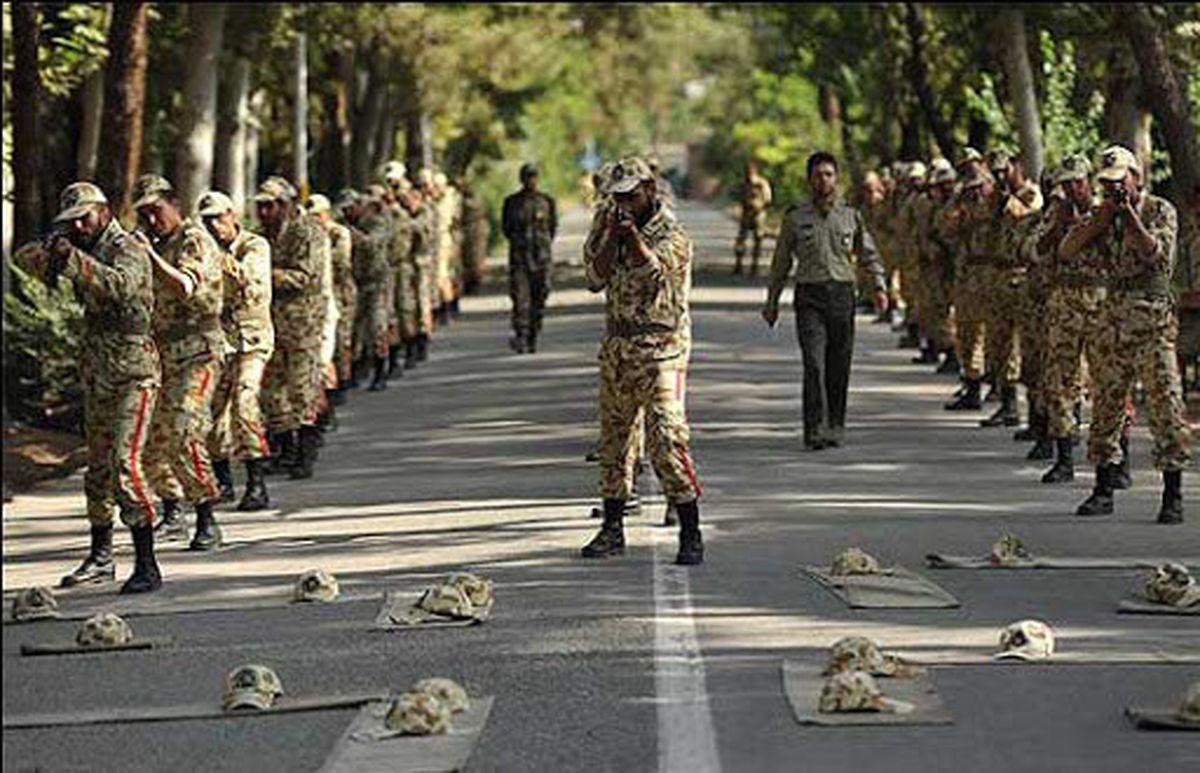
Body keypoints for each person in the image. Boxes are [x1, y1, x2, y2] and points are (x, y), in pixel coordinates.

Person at [36, 183, 163, 593]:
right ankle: (101, 556)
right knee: (99, 469)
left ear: (103, 211)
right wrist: (51, 253)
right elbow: (29, 263)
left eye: (83, 217)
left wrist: (73, 260)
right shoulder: (79, 247)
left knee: (126, 464)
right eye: (71, 222)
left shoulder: (126, 246)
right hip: (98, 371)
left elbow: (121, 286)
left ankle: (147, 562)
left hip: (134, 372)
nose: (79, 226)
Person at [581, 156, 704, 565]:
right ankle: (612, 528)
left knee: (667, 440)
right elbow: (594, 278)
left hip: (662, 350)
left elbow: (653, 273)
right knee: (615, 443)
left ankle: (690, 528)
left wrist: (630, 237)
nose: (624, 204)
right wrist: (612, 237)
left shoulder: (673, 234)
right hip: (619, 347)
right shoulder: (608, 223)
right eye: (618, 198)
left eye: (631, 196)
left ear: (649, 191)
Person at [1063, 145, 1191, 523]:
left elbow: (1155, 254)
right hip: (1111, 323)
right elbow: (1068, 251)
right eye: (1108, 184)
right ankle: (1103, 488)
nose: (1115, 190)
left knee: (1166, 406)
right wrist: (1098, 223)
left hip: (1151, 323)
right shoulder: (1103, 215)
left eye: (1121, 182)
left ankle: (1172, 494)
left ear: (1137, 178)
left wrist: (1129, 215)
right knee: (1106, 407)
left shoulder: (1158, 210)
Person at [762, 151, 888, 450]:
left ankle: (835, 424)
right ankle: (814, 428)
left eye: (829, 174)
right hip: (810, 297)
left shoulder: (850, 215)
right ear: (810, 180)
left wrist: (880, 287)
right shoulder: (795, 217)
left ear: (837, 179)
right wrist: (772, 301)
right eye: (818, 175)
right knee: (814, 364)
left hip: (842, 295)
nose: (823, 180)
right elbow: (781, 262)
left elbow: (868, 254)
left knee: (838, 364)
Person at [133, 174, 226, 552]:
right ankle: (173, 509)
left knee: (185, 431)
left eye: (156, 211)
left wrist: (150, 258)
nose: (152, 221)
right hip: (162, 359)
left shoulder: (193, 238)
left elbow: (186, 286)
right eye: (144, 215)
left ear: (175, 204)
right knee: (152, 445)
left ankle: (207, 515)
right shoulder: (155, 242)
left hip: (198, 353)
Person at [198, 190, 274, 512]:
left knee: (244, 401)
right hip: (220, 342)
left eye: (219, 217)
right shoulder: (204, 250)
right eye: (207, 220)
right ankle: (223, 480)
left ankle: (257, 483)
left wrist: (216, 260)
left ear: (233, 215)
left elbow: (250, 280)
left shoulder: (254, 246)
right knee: (212, 412)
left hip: (252, 339)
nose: (215, 225)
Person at [1037, 155, 1106, 484]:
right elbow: (1032, 250)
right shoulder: (1056, 214)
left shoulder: (1106, 212)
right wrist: (1057, 226)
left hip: (1100, 303)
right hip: (1064, 304)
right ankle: (1064, 458)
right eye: (1066, 184)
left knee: (1107, 382)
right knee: (1060, 382)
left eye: (1077, 182)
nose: (1072, 189)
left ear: (1088, 181)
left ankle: (1113, 460)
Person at [255, 176, 329, 480]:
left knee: (302, 388)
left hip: (302, 323)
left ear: (285, 205)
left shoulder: (307, 231)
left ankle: (305, 452)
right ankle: (284, 448)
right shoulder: (263, 235)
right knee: (272, 392)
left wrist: (264, 275)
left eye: (269, 206)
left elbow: (306, 276)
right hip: (271, 324)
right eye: (260, 207)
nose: (263, 213)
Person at [502, 162, 558, 354]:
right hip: (519, 258)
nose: (530, 180)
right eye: (527, 177)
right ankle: (522, 335)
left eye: (533, 176)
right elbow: (507, 229)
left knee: (540, 296)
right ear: (522, 179)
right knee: (520, 299)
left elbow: (552, 229)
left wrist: (541, 246)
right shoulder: (511, 203)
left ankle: (534, 332)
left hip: (541, 258)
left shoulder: (546, 202)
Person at [341, 187, 393, 391]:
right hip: (356, 282)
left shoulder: (375, 222)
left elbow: (373, 243)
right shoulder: (344, 225)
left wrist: (355, 236)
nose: (347, 213)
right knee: (354, 328)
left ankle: (381, 370)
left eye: (350, 209)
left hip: (376, 281)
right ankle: (356, 369)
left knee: (376, 326)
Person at [734, 160, 773, 277]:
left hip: (758, 214)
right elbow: (738, 197)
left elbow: (768, 198)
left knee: (758, 240)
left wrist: (758, 205)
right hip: (746, 213)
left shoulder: (761, 184)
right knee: (741, 240)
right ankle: (739, 264)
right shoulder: (743, 184)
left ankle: (754, 265)